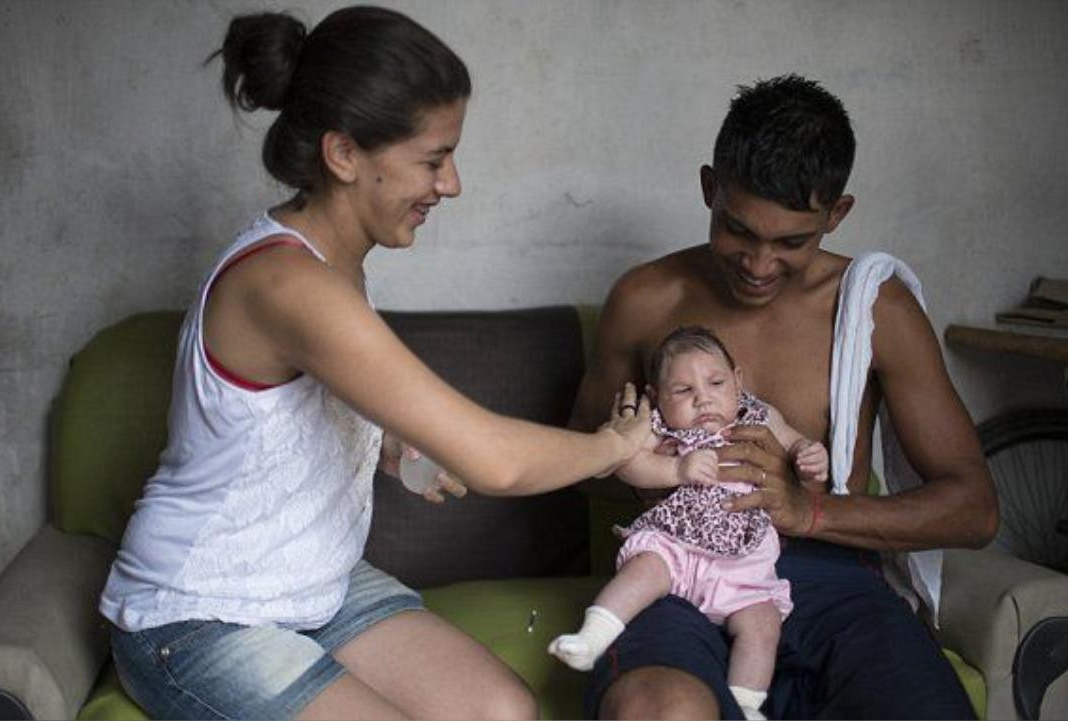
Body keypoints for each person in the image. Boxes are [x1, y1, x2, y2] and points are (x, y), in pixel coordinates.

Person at [97, 7, 653, 720]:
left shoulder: (336, 265)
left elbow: (281, 408)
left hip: (313, 584)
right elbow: (494, 460)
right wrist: (615, 445)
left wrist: (386, 438)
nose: (450, 184)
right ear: (344, 154)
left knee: (502, 712)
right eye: (432, 158)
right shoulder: (291, 285)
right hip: (199, 613)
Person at [570, 74, 998, 720]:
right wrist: (646, 463)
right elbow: (574, 468)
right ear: (710, 189)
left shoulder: (877, 310)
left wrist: (809, 512)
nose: (759, 263)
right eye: (738, 230)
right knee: (657, 710)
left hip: (831, 581)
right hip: (679, 571)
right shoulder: (645, 300)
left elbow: (975, 508)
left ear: (837, 214)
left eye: (792, 241)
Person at [549, 326, 828, 720]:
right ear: (655, 397)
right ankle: (593, 637)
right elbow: (629, 465)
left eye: (716, 382)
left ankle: (746, 706)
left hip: (740, 564)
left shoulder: (761, 416)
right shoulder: (658, 426)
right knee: (643, 571)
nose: (703, 398)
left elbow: (797, 445)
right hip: (675, 544)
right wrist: (676, 468)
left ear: (738, 381)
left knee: (763, 624)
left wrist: (809, 456)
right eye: (682, 391)